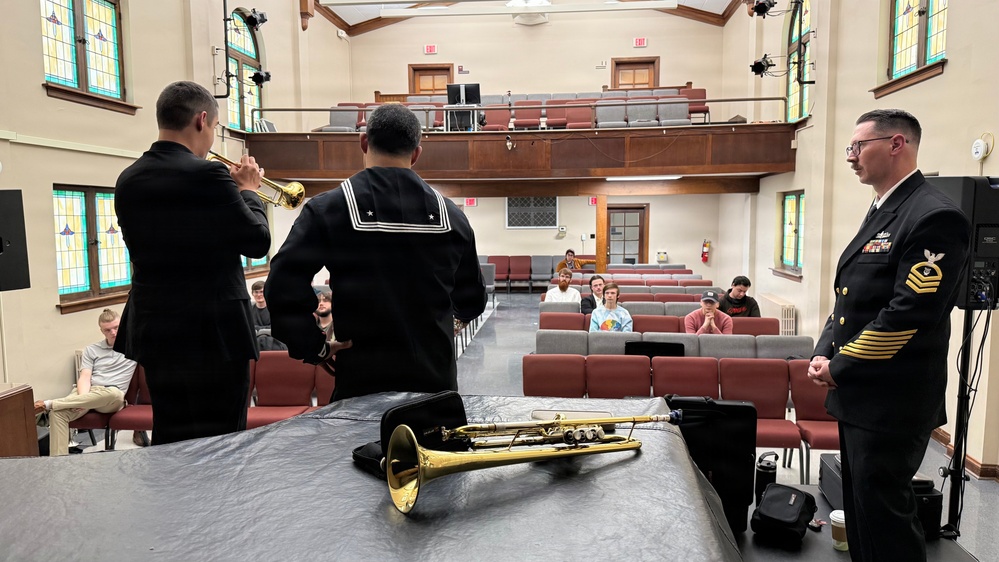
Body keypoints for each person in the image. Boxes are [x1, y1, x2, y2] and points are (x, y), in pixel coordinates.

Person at [809, 109, 970, 562]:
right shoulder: (884, 208)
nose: (851, 157)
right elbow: (851, 299)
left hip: (891, 399)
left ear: (896, 144)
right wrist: (824, 351)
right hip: (862, 393)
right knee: (861, 513)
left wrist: (839, 366)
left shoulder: (934, 216)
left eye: (859, 146)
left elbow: (907, 315)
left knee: (885, 522)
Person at [265, 104, 486, 401]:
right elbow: (472, 298)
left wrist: (313, 346)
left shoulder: (328, 208)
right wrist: (447, 327)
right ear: (417, 153)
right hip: (434, 380)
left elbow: (282, 286)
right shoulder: (452, 215)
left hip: (361, 377)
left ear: (364, 143)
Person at [114, 81, 270, 445]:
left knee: (171, 436)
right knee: (221, 442)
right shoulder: (209, 175)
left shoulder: (128, 179)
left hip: (156, 330)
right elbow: (257, 241)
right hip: (213, 333)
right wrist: (249, 190)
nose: (212, 137)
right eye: (215, 128)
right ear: (202, 120)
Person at [34, 310, 137, 456]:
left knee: (114, 393)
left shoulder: (134, 346)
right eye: (108, 330)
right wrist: (83, 399)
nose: (113, 332)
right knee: (57, 414)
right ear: (102, 331)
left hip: (111, 397)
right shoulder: (92, 350)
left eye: (117, 327)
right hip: (89, 392)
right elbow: (84, 377)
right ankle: (58, 463)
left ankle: (49, 404)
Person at [249, 280, 287, 351]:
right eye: (256, 292)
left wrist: (259, 329)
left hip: (275, 340)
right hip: (256, 341)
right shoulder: (249, 310)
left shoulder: (275, 308)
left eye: (261, 292)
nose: (259, 295)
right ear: (252, 294)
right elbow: (250, 328)